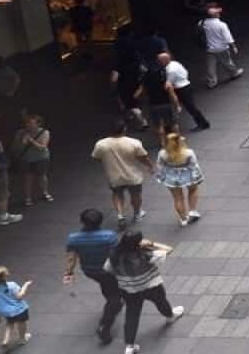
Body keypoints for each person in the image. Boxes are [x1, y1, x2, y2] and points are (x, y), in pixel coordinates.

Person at [106, 231, 185, 353]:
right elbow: (169, 249)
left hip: (128, 289)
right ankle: (170, 316)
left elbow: (108, 269)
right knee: (160, 301)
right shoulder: (144, 254)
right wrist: (151, 243)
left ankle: (129, 346)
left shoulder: (114, 254)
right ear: (138, 243)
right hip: (150, 285)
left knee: (132, 314)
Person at [63, 209, 122, 344]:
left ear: (81, 221)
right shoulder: (109, 236)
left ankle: (112, 299)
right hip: (109, 271)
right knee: (115, 298)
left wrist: (69, 272)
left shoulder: (73, 238)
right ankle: (104, 326)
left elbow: (71, 259)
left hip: (90, 271)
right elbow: (115, 255)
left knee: (106, 286)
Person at [91, 119, 154, 228]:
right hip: (133, 176)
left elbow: (96, 157)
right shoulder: (134, 142)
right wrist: (150, 166)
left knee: (117, 194)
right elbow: (142, 157)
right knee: (135, 195)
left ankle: (120, 215)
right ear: (124, 129)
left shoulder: (101, 144)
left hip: (114, 176)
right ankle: (137, 214)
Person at [154, 133, 203, 227]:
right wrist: (198, 177)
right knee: (193, 190)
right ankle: (192, 211)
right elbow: (194, 166)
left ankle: (183, 218)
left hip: (171, 177)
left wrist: (161, 177)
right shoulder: (188, 152)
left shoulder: (162, 153)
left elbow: (160, 166)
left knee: (177, 198)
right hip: (187, 176)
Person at [160, 51, 208, 132]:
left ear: (165, 60)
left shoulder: (170, 70)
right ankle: (202, 123)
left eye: (160, 60)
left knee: (191, 107)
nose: (159, 62)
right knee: (191, 106)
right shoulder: (175, 63)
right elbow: (186, 72)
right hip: (186, 85)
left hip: (181, 89)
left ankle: (203, 123)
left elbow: (168, 83)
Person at [11, 112, 51, 206]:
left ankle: (45, 192)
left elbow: (42, 147)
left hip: (41, 158)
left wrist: (31, 141)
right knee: (27, 178)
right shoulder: (20, 133)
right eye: (27, 123)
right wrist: (21, 143)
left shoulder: (44, 132)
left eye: (31, 123)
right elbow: (14, 147)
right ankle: (28, 197)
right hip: (26, 159)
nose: (28, 125)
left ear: (38, 124)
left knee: (42, 176)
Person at [199, 5, 243, 88]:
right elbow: (228, 37)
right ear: (214, 15)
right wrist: (234, 47)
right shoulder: (221, 24)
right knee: (227, 62)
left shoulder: (202, 22)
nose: (219, 14)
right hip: (222, 48)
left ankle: (212, 82)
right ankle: (234, 73)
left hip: (209, 48)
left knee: (210, 66)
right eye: (218, 12)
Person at [0, 266, 31, 350]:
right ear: (5, 277)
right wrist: (25, 285)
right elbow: (20, 296)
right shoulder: (11, 285)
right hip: (19, 309)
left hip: (5, 311)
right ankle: (22, 338)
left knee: (9, 324)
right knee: (22, 323)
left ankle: (5, 340)